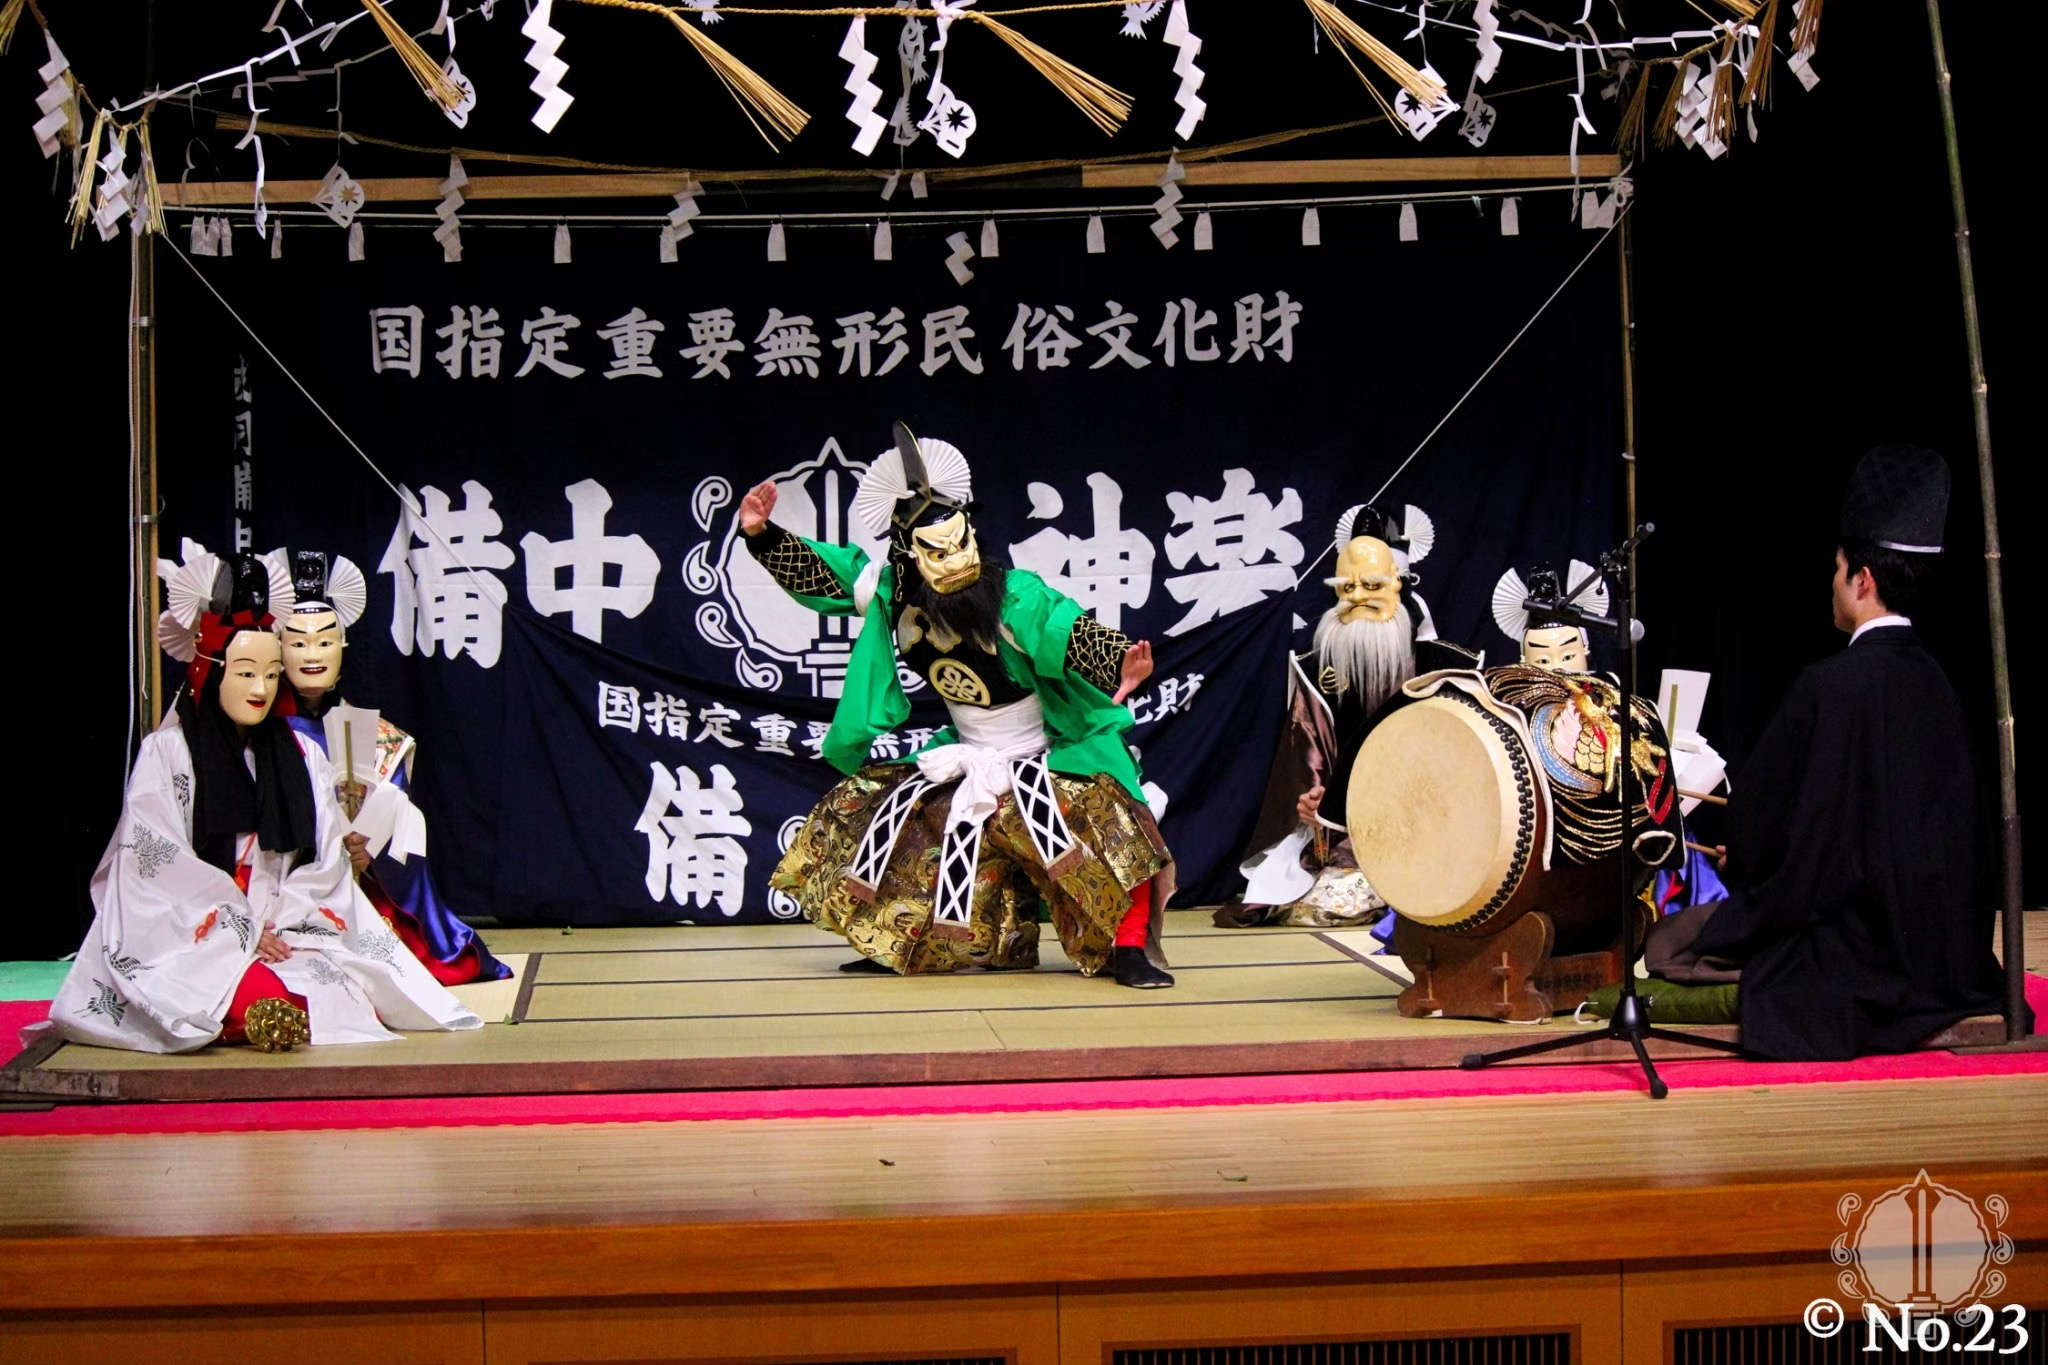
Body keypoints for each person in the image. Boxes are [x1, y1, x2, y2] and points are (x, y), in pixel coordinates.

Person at [741, 423, 1175, 988]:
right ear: (907, 553)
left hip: (1049, 750)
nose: (954, 562)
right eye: (935, 551)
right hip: (969, 750)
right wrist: (762, 535)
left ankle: (1129, 946)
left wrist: (1119, 662)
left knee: (1115, 823)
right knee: (900, 820)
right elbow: (831, 576)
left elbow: (1063, 629)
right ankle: (902, 942)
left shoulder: (1014, 596)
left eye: (960, 543)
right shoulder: (890, 592)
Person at [1657, 445, 2016, 1058]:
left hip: (1857, 943)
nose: (1831, 582)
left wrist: (1745, 857)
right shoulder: (1939, 684)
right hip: (1946, 949)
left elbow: (1771, 826)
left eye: (1837, 568)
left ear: (1862, 580)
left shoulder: (1828, 687)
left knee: (1672, 942)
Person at [49, 550, 481, 1053]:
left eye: (273, 674)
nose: (261, 688)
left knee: (338, 997)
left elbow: (323, 864)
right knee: (246, 997)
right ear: (210, 670)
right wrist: (241, 929)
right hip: (192, 931)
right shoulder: (167, 755)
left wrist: (283, 918)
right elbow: (154, 865)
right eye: (246, 672)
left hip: (285, 926)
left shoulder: (302, 756)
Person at [1224, 502, 1478, 929]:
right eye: (1347, 588)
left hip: (1429, 822)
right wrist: (1314, 802)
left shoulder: (1446, 667)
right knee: (1325, 902)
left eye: (1372, 585)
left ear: (1400, 584)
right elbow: (1308, 756)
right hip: (1347, 829)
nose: (1358, 597)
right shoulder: (1317, 671)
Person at [266, 547, 507, 985]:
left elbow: (396, 835)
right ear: (278, 649)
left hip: (356, 887)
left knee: (390, 963)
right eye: (297, 643)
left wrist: (370, 853)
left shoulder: (374, 736)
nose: (312, 654)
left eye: (324, 641)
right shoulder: (261, 735)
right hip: (278, 891)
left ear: (343, 648)